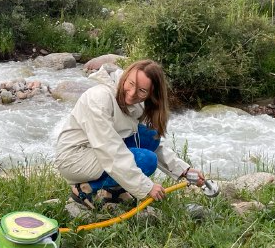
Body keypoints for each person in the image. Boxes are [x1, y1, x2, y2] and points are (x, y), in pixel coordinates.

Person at [54, 59, 205, 210]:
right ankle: (84, 189)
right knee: (146, 160)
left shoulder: (138, 104)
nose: (132, 94)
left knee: (149, 137)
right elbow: (110, 152)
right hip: (74, 158)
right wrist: (145, 187)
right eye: (131, 84)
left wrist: (184, 170)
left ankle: (114, 191)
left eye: (142, 91)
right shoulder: (99, 98)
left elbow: (150, 144)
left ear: (151, 94)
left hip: (98, 150)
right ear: (125, 77)